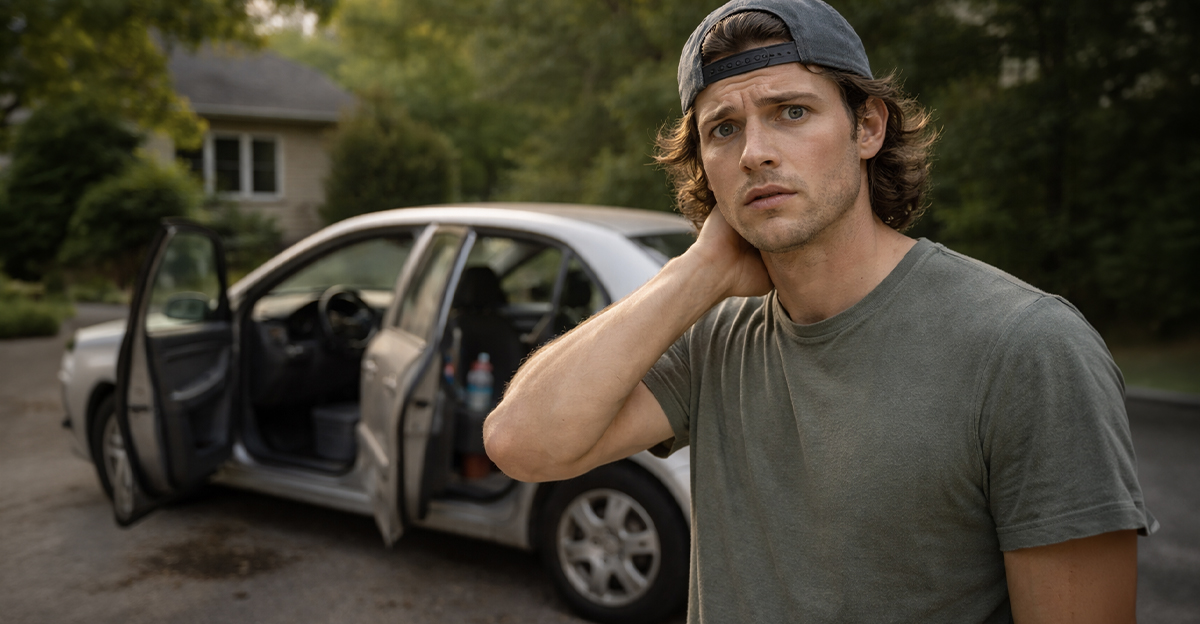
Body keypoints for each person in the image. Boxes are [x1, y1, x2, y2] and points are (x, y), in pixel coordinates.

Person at [484, 0, 1157, 621]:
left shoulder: (1028, 346)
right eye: (724, 129)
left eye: (792, 112)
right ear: (704, 166)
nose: (755, 153)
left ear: (868, 127)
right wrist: (699, 269)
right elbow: (522, 443)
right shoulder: (717, 339)